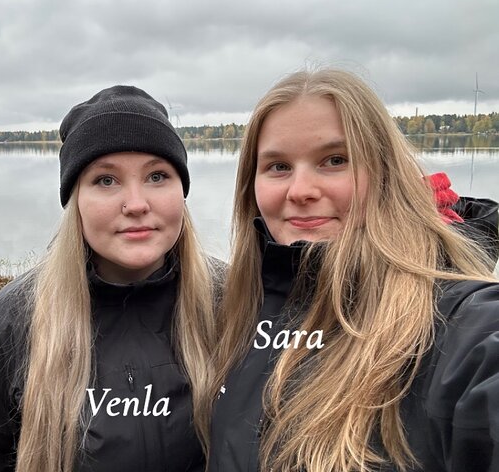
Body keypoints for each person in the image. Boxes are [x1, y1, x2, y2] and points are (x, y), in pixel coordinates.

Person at [208, 69, 499, 472]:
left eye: (335, 161)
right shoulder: (240, 307)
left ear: (385, 173)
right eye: (278, 166)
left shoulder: (453, 322)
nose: (301, 190)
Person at [0, 86, 220, 471]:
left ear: (182, 190)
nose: (136, 204)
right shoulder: (6, 329)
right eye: (106, 180)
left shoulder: (233, 302)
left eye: (157, 175)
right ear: (75, 198)